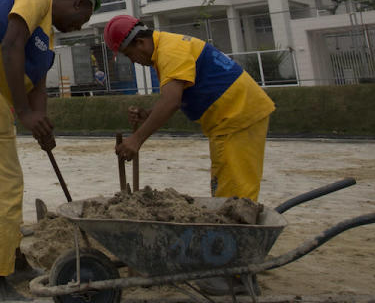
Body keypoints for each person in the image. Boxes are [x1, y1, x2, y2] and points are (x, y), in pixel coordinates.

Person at [0, 0, 100, 301]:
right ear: (78, 3)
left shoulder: (49, 38)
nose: (78, 26)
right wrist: (24, 112)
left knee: (10, 182)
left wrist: (40, 122)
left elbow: (39, 88)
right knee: (2, 186)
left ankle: (12, 262)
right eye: (83, 19)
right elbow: (11, 45)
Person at [107, 15, 275, 296]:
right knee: (233, 192)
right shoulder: (168, 49)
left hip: (235, 118)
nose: (133, 61)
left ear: (140, 42)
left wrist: (136, 139)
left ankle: (234, 275)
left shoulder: (169, 51)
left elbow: (171, 101)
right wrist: (148, 116)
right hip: (235, 117)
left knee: (233, 197)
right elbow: (179, 98)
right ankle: (242, 261)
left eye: (129, 54)